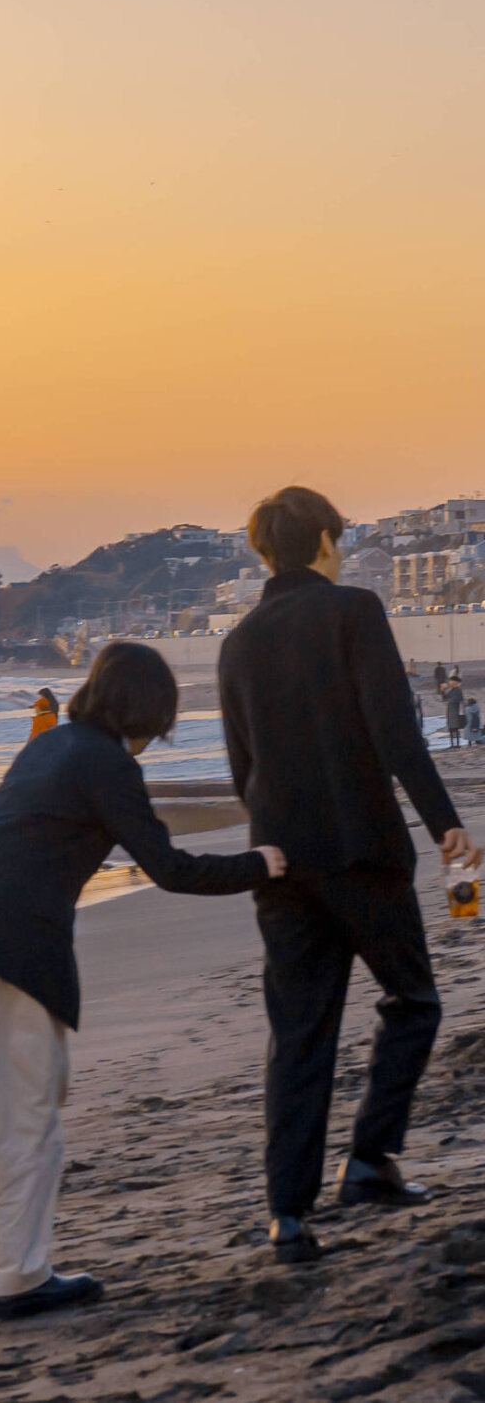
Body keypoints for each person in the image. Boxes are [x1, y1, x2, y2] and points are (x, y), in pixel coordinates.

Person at [0, 642, 286, 1318]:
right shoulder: (109, 764)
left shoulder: (49, 746)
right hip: (17, 945)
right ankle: (19, 1277)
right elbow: (170, 870)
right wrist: (258, 865)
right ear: (147, 712)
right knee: (25, 1115)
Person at [218, 486, 481, 1267]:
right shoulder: (353, 611)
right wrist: (445, 823)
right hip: (362, 856)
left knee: (299, 1037)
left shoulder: (238, 643)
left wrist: (273, 835)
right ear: (328, 541)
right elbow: (395, 731)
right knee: (414, 1001)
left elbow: (242, 769)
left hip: (279, 864)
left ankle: (287, 1217)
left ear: (265, 553)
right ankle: (368, 1159)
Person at [445, 672, 465, 749]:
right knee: (451, 728)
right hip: (450, 711)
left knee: (455, 728)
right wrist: (443, 690)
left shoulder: (458, 690)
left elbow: (456, 700)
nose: (449, 682)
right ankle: (452, 744)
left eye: (451, 681)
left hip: (455, 711)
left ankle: (457, 744)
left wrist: (449, 699)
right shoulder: (451, 689)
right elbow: (445, 698)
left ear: (455, 682)